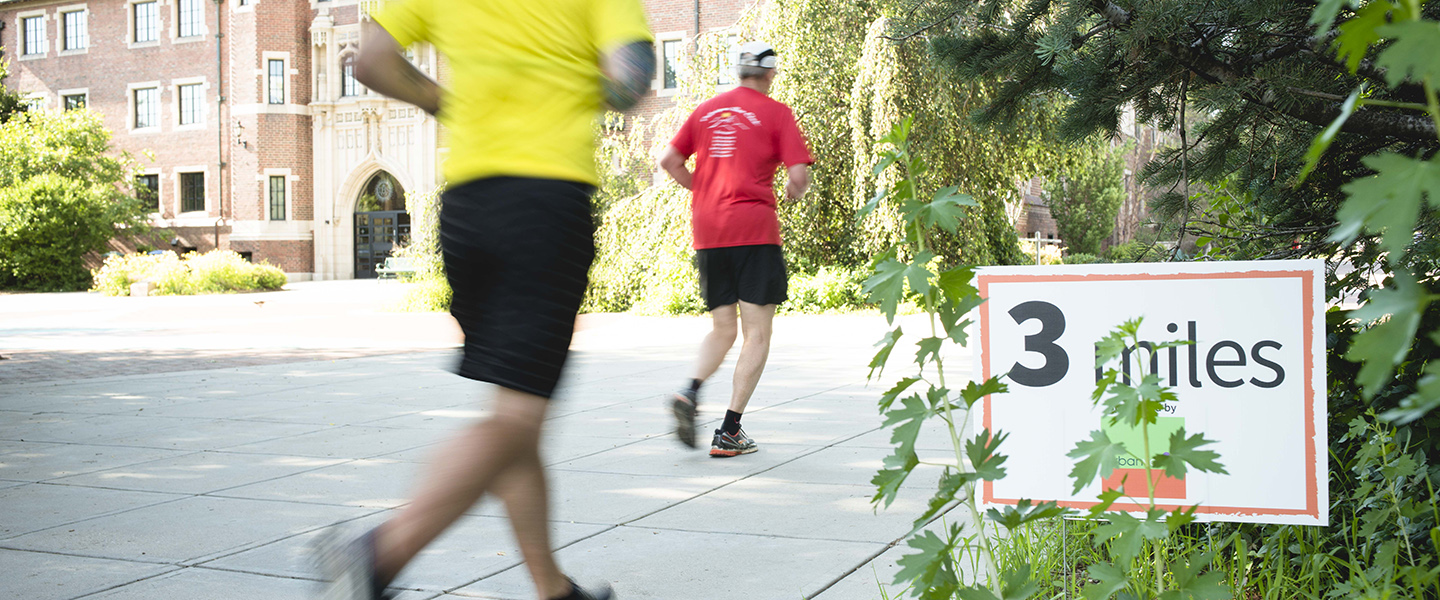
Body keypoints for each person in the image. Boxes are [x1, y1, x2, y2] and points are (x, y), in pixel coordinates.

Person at [310, 2, 654, 600]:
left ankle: (554, 590)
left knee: (520, 414)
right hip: (544, 205)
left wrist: (445, 101)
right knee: (516, 420)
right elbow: (629, 80)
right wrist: (569, 87)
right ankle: (378, 555)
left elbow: (370, 61)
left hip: (468, 211)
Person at [658, 41, 812, 458]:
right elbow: (798, 177)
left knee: (723, 328)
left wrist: (703, 190)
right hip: (754, 232)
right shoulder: (777, 113)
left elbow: (670, 161)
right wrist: (795, 192)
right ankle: (729, 430)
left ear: (738, 70)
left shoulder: (706, 110)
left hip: (709, 233)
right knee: (757, 333)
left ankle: (689, 392)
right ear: (770, 73)